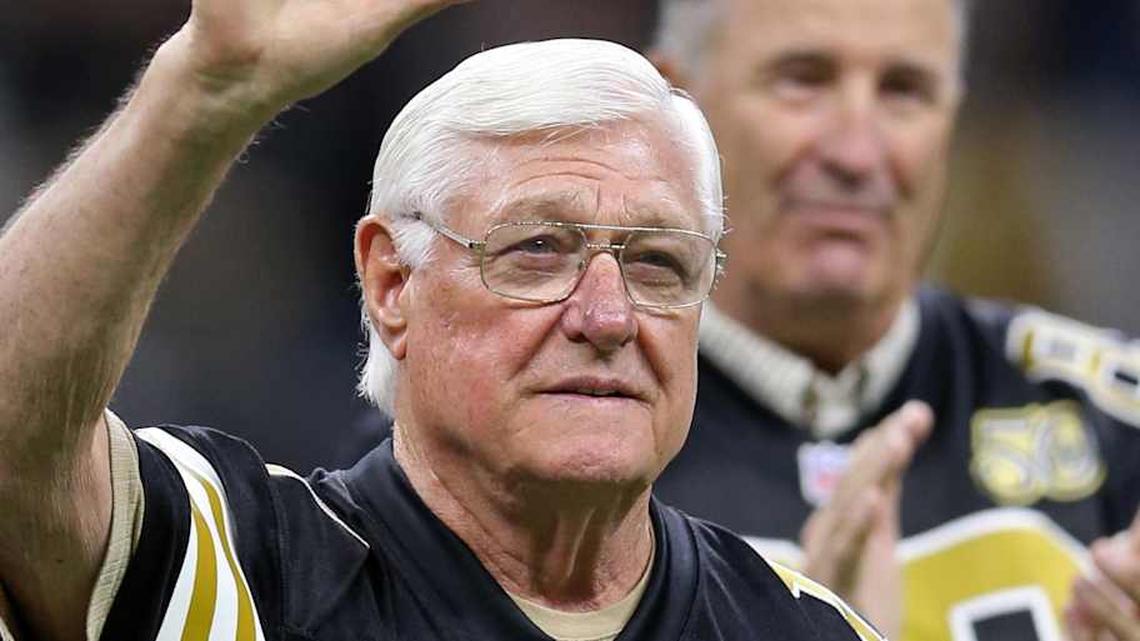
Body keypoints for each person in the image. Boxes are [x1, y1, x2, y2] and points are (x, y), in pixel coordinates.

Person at [0, 1, 888, 640]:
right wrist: (198, 99)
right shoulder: (241, 568)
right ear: (392, 283)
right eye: (538, 249)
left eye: (659, 262)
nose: (609, 314)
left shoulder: (812, 628)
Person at [647, 1, 1140, 640]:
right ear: (668, 115)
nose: (856, 153)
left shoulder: (1117, 420)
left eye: (904, 90)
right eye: (804, 79)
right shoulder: (563, 446)